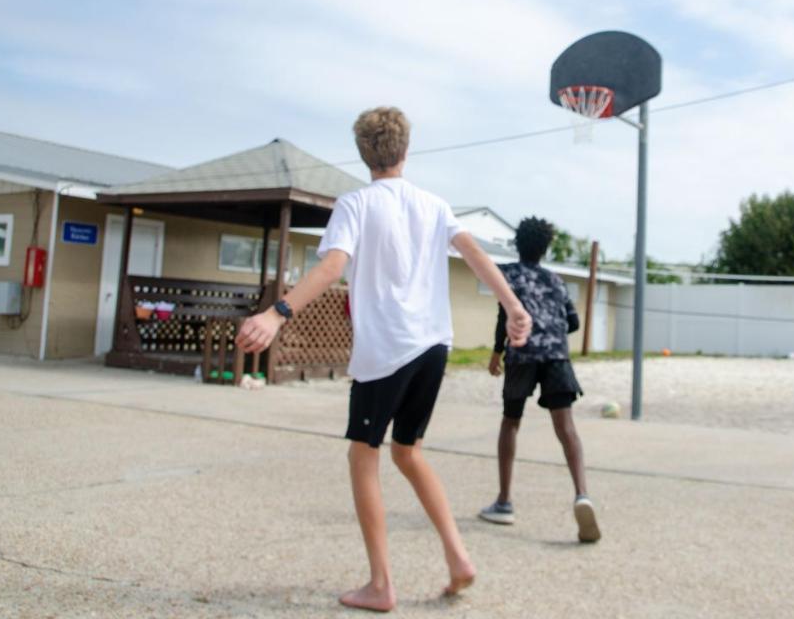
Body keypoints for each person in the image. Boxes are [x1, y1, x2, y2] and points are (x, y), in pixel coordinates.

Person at [236, 107, 532, 612]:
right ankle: (459, 557)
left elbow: (332, 267)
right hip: (434, 346)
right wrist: (513, 304)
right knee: (409, 451)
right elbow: (475, 253)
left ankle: (380, 585)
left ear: (362, 153)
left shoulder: (355, 204)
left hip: (387, 350)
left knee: (363, 454)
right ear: (406, 150)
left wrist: (277, 312)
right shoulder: (434, 204)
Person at [478, 216, 600, 543]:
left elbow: (506, 313)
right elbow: (572, 323)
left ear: (517, 244)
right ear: (546, 248)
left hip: (522, 354)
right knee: (566, 428)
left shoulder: (508, 274)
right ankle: (582, 494)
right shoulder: (557, 281)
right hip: (557, 357)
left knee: (511, 421)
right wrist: (551, 330)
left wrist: (496, 352)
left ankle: (504, 502)